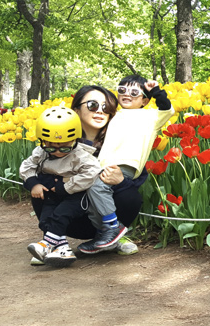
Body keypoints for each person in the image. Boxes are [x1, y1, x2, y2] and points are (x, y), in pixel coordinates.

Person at [29, 85, 147, 265]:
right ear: (76, 109)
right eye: (92, 105)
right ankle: (53, 242)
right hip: (70, 212)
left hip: (104, 212)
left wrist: (121, 181)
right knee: (40, 189)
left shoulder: (122, 143)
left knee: (130, 194)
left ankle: (115, 234)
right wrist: (59, 183)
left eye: (106, 107)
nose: (100, 111)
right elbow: (35, 168)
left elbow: (138, 179)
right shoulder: (59, 140)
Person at [77, 75, 174, 254]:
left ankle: (112, 228)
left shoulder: (150, 117)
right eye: (122, 90)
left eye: (134, 92)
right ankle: (105, 236)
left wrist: (156, 91)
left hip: (126, 164)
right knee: (92, 199)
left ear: (144, 100)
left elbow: (167, 109)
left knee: (97, 189)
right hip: (104, 164)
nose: (127, 94)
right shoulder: (114, 115)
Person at [22, 106, 102, 267]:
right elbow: (27, 166)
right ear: (42, 141)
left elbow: (92, 173)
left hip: (75, 195)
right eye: (51, 147)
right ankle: (63, 250)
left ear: (75, 140)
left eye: (64, 147)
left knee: (61, 215)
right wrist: (33, 183)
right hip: (51, 193)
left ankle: (45, 246)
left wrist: (66, 187)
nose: (57, 152)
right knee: (45, 219)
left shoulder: (81, 155)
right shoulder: (41, 152)